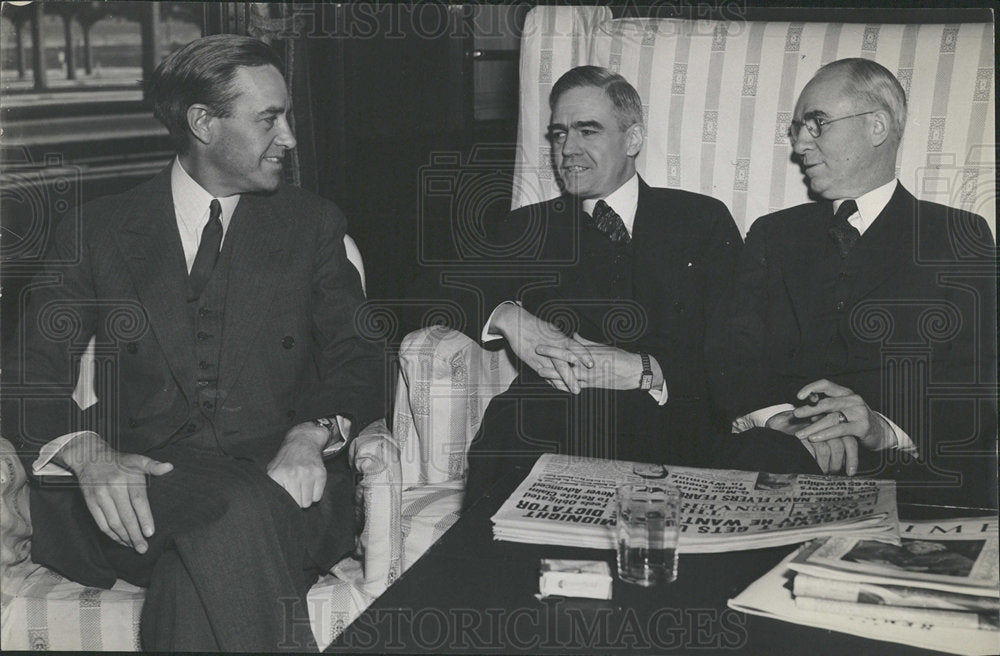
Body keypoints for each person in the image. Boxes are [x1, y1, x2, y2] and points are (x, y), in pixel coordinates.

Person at [1, 35, 384, 651]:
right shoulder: (98, 229)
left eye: (287, 116)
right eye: (269, 119)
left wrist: (310, 434)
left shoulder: (311, 225)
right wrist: (87, 452)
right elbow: (26, 375)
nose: (289, 137)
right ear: (203, 123)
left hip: (281, 484)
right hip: (133, 494)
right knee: (234, 514)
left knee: (208, 555)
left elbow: (360, 358)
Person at [709, 58, 997, 506]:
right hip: (780, 453)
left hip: (906, 470)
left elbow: (979, 385)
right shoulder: (773, 234)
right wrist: (784, 420)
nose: (800, 144)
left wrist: (882, 428)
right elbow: (732, 354)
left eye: (817, 123)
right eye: (797, 129)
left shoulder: (957, 236)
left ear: (876, 126)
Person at [463, 66, 741, 508]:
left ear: (632, 139)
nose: (567, 149)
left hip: (669, 426)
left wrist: (648, 370)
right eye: (559, 134)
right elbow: (425, 291)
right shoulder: (529, 227)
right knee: (508, 440)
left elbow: (738, 344)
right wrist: (509, 318)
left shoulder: (700, 220)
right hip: (551, 427)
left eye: (587, 131)